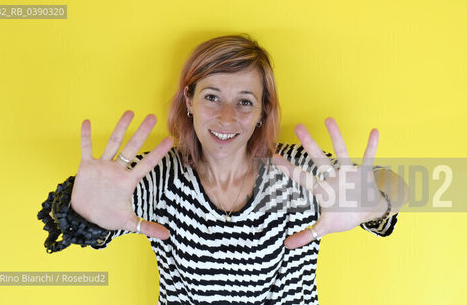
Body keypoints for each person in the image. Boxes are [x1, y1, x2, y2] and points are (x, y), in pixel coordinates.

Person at [38, 34, 409, 304]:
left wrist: (372, 201)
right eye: (212, 96)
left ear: (263, 111)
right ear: (189, 100)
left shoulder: (295, 169)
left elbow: (398, 187)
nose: (227, 117)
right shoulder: (161, 174)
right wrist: (82, 211)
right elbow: (100, 209)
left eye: (245, 101)